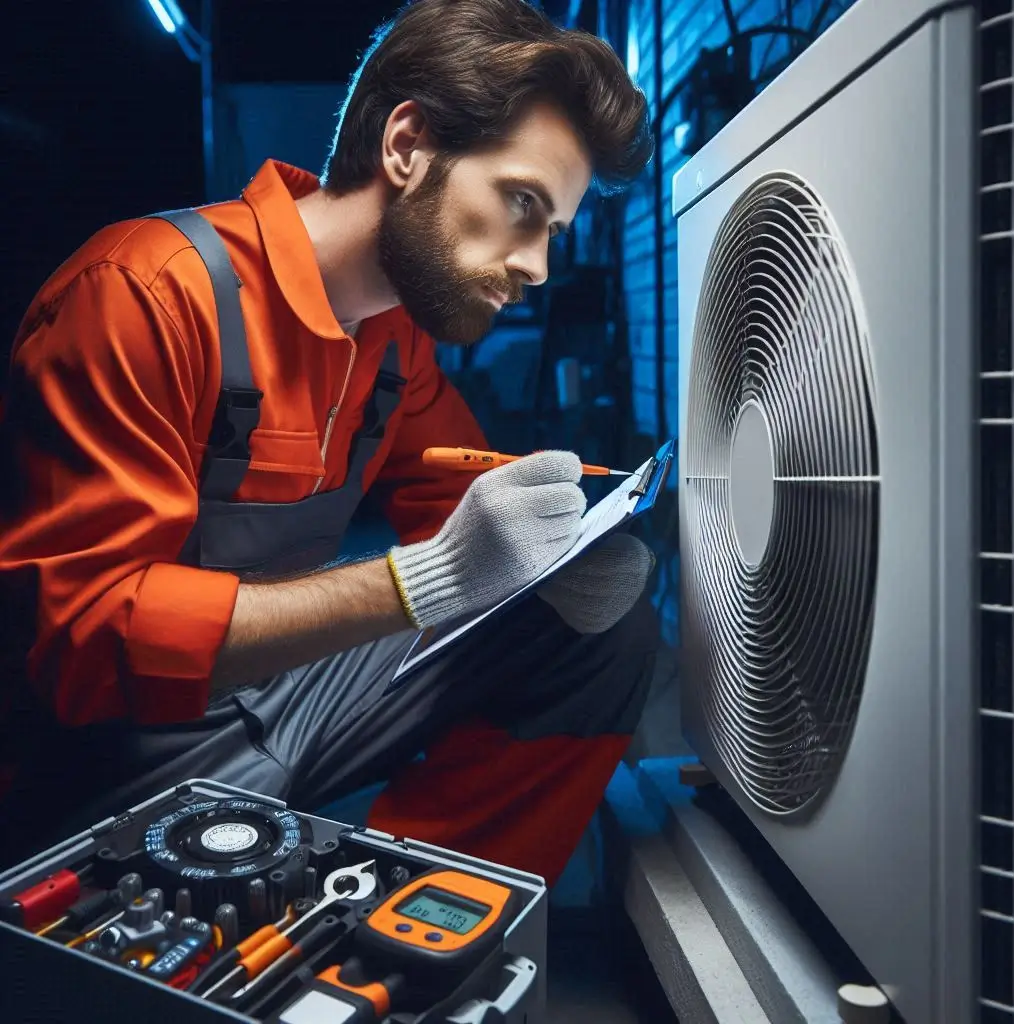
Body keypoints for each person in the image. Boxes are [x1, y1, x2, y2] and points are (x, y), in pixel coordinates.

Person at [0, 0, 658, 883]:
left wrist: (565, 546)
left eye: (552, 230)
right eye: (521, 204)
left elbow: (463, 517)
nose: (537, 264)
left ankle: (413, 931)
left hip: (284, 700)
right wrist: (420, 579)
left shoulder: (398, 344)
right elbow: (79, 643)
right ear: (407, 145)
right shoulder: (145, 295)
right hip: (112, 759)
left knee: (592, 625)